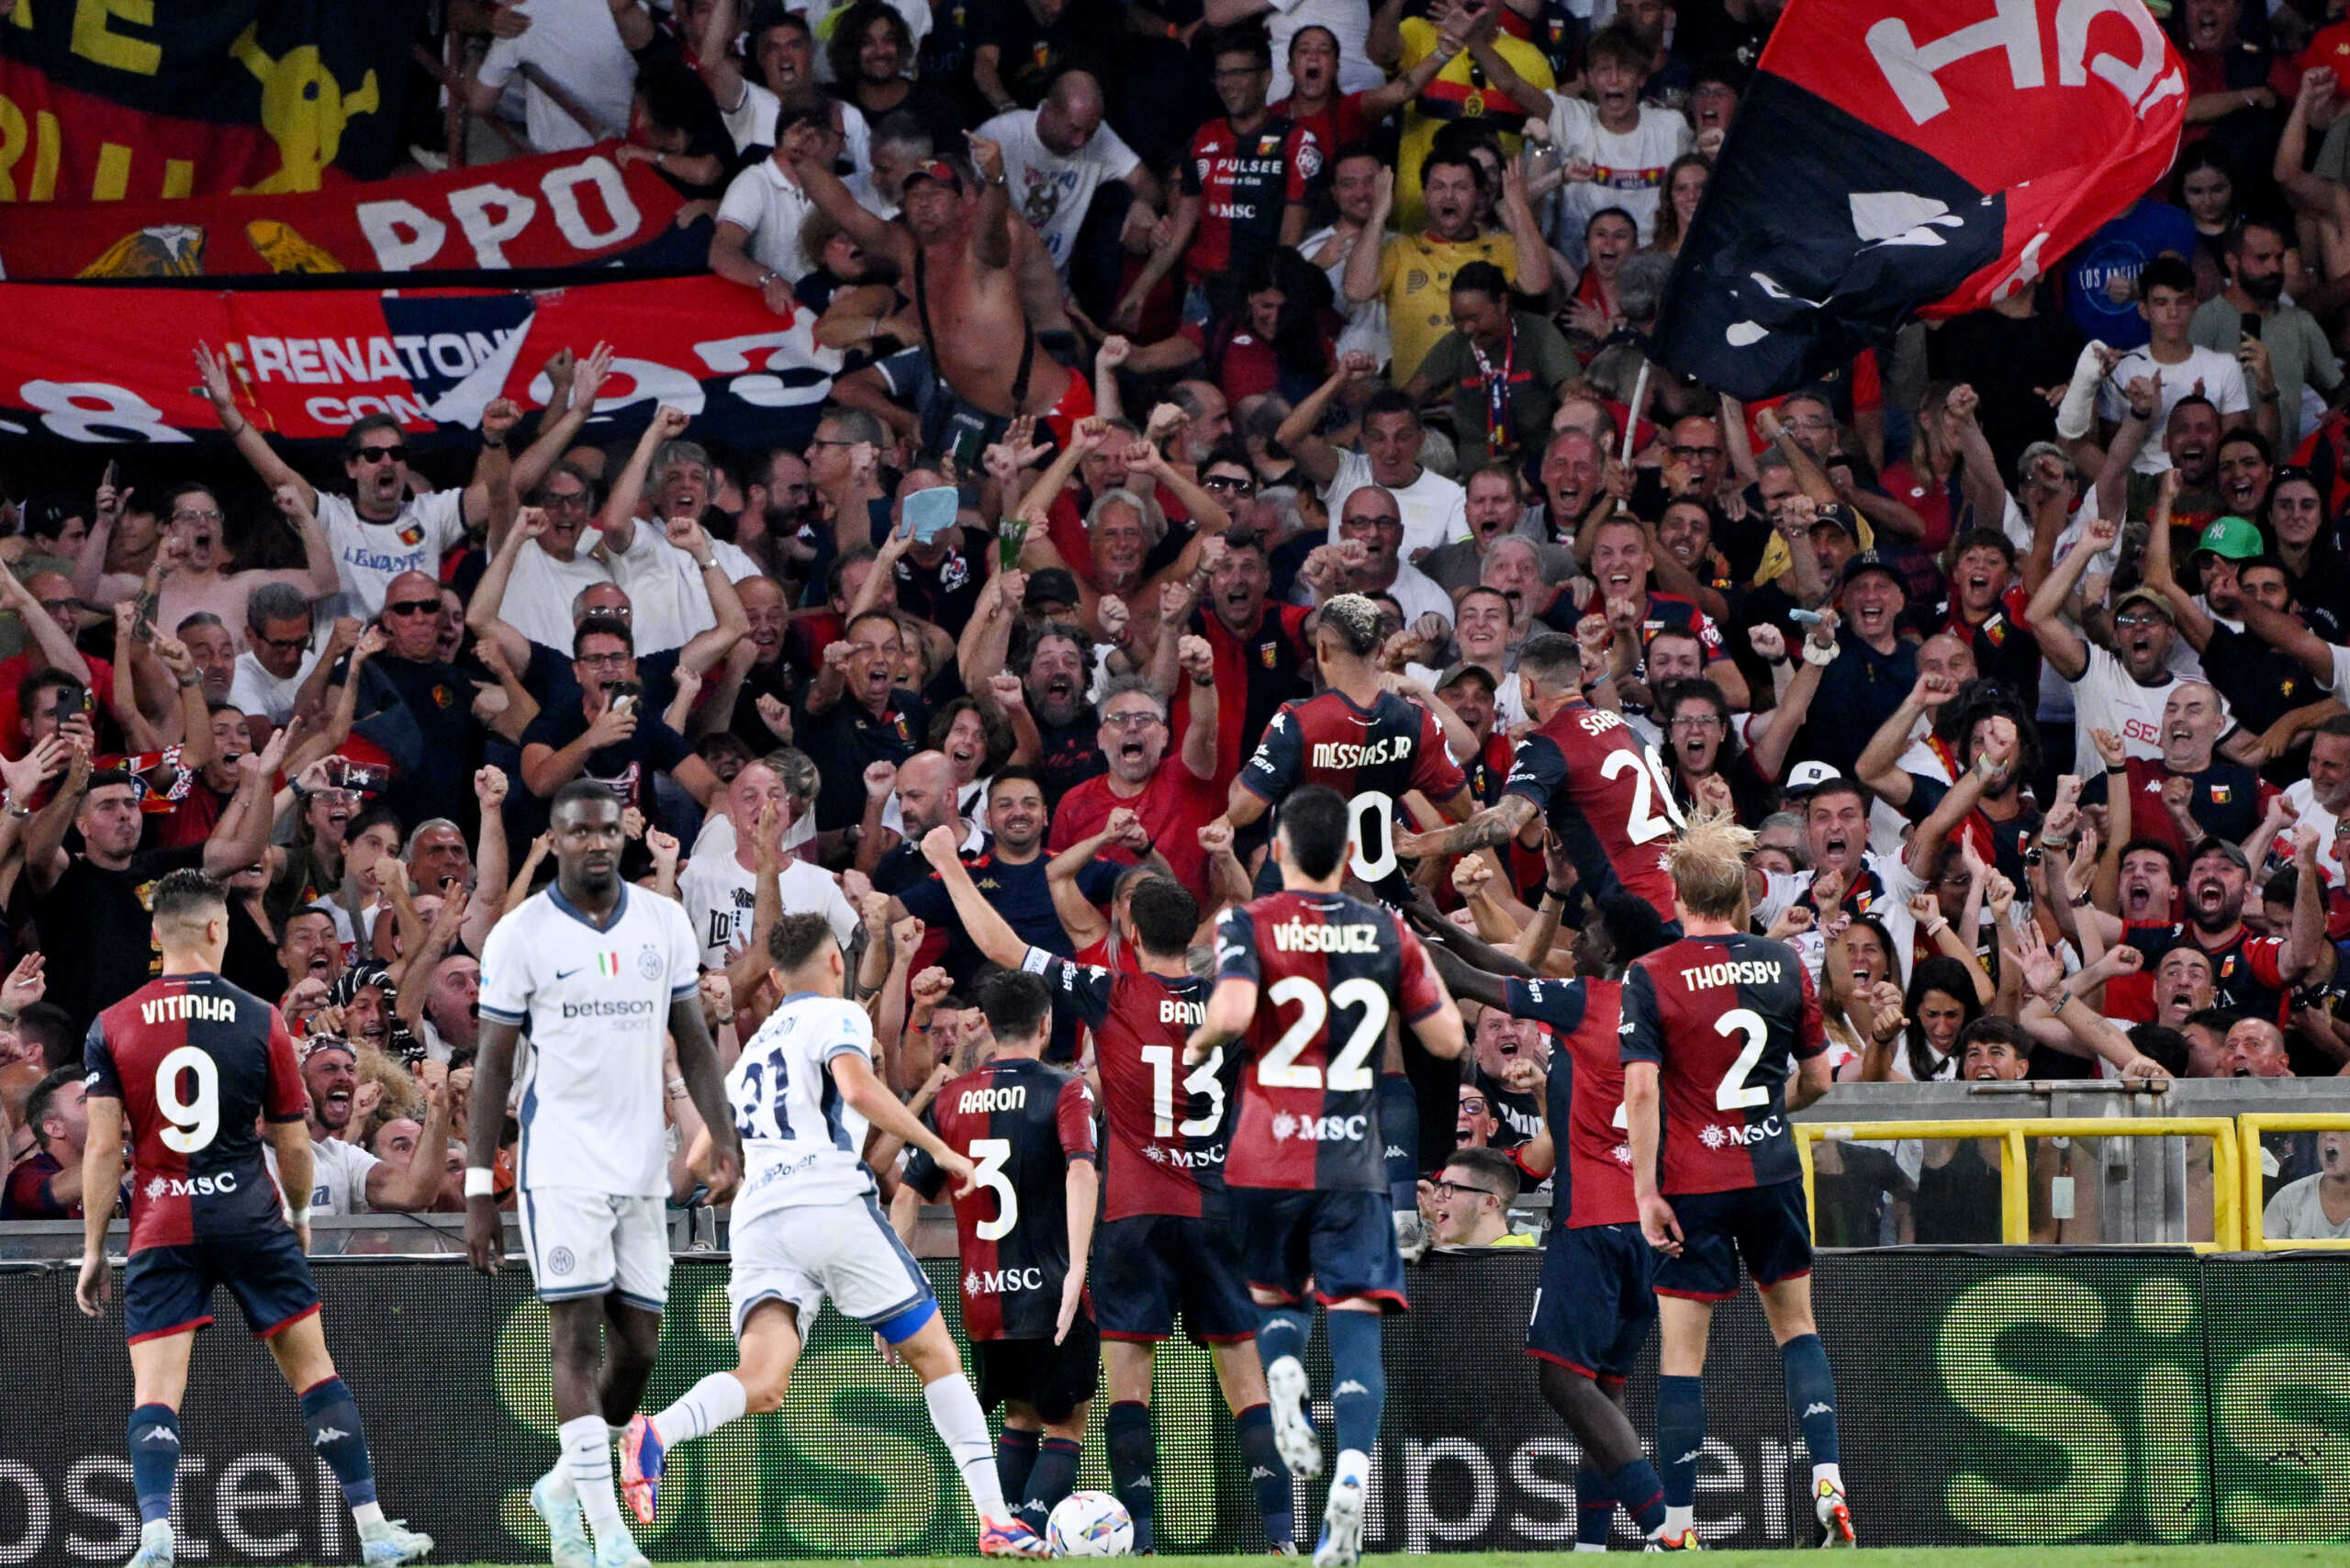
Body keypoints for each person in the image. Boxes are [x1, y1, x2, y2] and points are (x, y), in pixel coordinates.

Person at [614, 913, 1049, 1558]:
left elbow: (705, 1153)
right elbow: (855, 1085)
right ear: (836, 964)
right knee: (936, 1356)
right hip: (826, 1198)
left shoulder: (757, 1047)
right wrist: (940, 1149)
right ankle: (995, 1518)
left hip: (760, 1219)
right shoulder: (837, 1015)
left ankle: (658, 1432)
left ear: (773, 975)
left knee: (762, 1381)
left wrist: (734, 1174)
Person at [919, 835, 1295, 1552]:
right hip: (1219, 1209)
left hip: (1136, 1213)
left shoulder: (1110, 990)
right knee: (1246, 1385)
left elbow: (1003, 944)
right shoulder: (1232, 1000)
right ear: (1191, 935)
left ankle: (1144, 1539)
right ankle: (1281, 1534)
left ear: (1128, 931)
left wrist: (948, 867)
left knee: (1129, 1389)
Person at [74, 869, 431, 1568]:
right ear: (216, 929)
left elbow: (99, 1146)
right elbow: (292, 1140)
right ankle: (373, 1530)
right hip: (248, 1216)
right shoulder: (260, 1018)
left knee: (156, 1392)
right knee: (315, 1372)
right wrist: (298, 1212)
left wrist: (93, 1248)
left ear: (156, 934)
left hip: (160, 1223)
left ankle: (154, 1535)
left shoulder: (110, 1025)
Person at [1182, 783, 1466, 1568]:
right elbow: (1444, 1039)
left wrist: (1201, 1043)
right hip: (1352, 1160)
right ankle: (1351, 1472)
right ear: (1348, 855)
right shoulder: (1384, 932)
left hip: (1264, 1159)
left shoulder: (1247, 920)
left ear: (1274, 849)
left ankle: (1279, 1367)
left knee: (1277, 1301)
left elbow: (1235, 1014)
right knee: (1354, 1326)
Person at [466, 781, 743, 1568]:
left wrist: (723, 1136)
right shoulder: (521, 935)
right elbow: (491, 1069)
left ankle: (561, 1486)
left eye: (609, 831)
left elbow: (692, 1037)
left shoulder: (661, 921)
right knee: (575, 1340)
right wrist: (482, 1189)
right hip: (560, 1164)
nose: (598, 844)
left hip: (642, 1163)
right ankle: (606, 1538)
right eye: (581, 832)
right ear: (553, 840)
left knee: (643, 1352)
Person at [1618, 814, 1853, 1549]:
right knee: (1798, 1328)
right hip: (1773, 1168)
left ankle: (1680, 1529)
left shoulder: (1651, 973)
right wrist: (1763, 1113)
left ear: (1677, 895)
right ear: (1746, 894)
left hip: (1694, 1180)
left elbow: (1645, 1092)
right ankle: (1829, 1481)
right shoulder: (1785, 965)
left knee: (1682, 1356)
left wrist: (1647, 1191)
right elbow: (1818, 1079)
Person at [896, 970, 1099, 1536]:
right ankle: (1025, 1534)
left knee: (1018, 1416)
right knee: (1065, 1426)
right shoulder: (1065, 1088)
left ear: (984, 1022)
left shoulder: (951, 1098)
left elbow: (907, 1195)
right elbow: (1082, 1169)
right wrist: (1077, 1266)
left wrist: (900, 1290)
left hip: (984, 1298)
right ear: (1046, 1023)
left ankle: (1003, 1532)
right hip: (1050, 1289)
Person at [1395, 632, 1684, 913]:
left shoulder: (1549, 741)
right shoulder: (1620, 724)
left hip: (1640, 905)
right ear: (1580, 679)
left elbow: (1503, 824)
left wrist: (1418, 843)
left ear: (1528, 687)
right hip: (1684, 891)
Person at [1421, 1147, 1530, 1247]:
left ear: (1489, 1203)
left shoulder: (1524, 1265)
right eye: (1439, 1186)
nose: (1436, 1196)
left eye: (1449, 1187)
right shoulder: (1473, 1263)